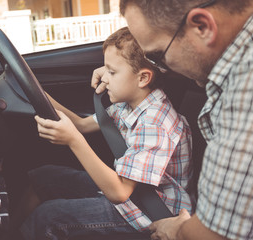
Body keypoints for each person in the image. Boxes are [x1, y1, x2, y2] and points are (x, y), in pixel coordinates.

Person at [92, 1, 253, 239]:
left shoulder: (245, 91)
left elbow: (213, 234)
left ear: (202, 26)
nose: (159, 69)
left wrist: (176, 228)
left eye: (156, 55)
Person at [20, 27, 193, 239]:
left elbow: (119, 193)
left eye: (111, 72)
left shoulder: (154, 124)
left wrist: (74, 141)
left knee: (47, 217)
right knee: (43, 177)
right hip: (131, 193)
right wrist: (35, 91)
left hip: (149, 212)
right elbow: (82, 125)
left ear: (142, 78)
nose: (105, 78)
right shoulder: (129, 103)